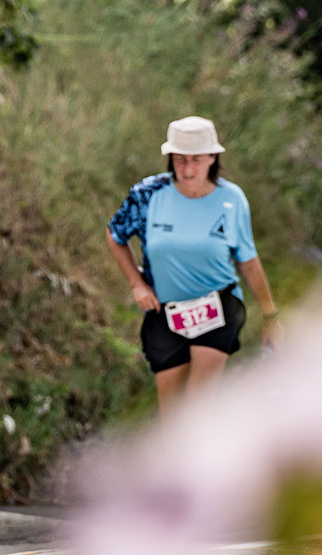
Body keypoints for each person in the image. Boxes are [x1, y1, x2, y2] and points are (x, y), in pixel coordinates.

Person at [106, 116, 283, 412]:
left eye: (196, 160)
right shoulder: (147, 195)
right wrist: (136, 283)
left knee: (197, 405)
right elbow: (115, 235)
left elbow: (248, 262)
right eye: (180, 160)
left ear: (213, 158)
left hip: (218, 304)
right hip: (165, 311)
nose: (188, 169)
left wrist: (270, 317)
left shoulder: (232, 200)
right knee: (172, 416)